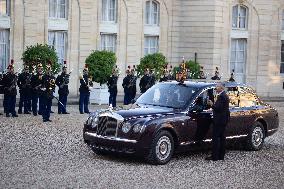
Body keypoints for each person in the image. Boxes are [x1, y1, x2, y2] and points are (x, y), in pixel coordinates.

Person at [206, 83, 230, 161]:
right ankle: (221, 156)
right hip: (223, 119)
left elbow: (218, 108)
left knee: (216, 138)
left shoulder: (222, 96)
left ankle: (215, 157)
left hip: (219, 120)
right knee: (222, 138)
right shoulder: (223, 95)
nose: (215, 88)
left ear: (221, 88)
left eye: (217, 86)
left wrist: (211, 104)